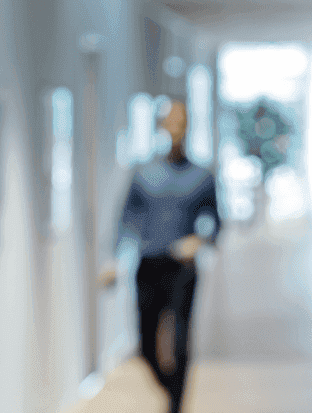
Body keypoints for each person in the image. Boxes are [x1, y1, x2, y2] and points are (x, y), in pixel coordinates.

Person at [116, 100, 218, 413]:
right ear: (161, 127)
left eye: (180, 123)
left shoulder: (201, 176)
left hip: (182, 268)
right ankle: (170, 391)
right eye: (169, 123)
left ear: (188, 127)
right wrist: (115, 259)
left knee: (180, 340)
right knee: (147, 344)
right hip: (149, 265)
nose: (174, 130)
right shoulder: (145, 174)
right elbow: (127, 219)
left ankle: (176, 405)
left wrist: (199, 240)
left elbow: (215, 222)